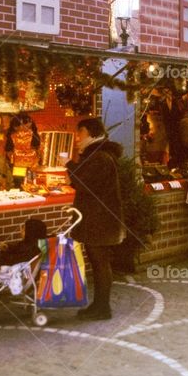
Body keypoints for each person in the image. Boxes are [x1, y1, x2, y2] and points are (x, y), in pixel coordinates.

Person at [66, 117, 125, 320]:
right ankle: (99, 305)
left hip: (100, 220)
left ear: (90, 133)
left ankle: (102, 308)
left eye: (80, 133)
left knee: (99, 263)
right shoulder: (97, 154)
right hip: (100, 219)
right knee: (98, 262)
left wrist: (68, 165)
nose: (77, 138)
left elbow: (85, 184)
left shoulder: (99, 157)